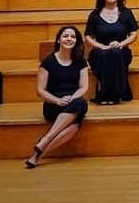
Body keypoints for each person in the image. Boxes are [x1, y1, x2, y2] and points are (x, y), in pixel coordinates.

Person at [26, 25, 88, 168]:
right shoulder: (48, 62)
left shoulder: (80, 61)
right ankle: (45, 140)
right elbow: (40, 91)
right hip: (53, 104)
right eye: (65, 36)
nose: (69, 39)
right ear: (59, 40)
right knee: (74, 124)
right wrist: (57, 100)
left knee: (80, 107)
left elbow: (83, 87)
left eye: (73, 37)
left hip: (72, 102)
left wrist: (71, 98)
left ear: (77, 41)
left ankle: (38, 154)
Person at [84, 0, 139, 104]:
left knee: (115, 53)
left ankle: (109, 94)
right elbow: (88, 37)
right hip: (99, 51)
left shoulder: (127, 13)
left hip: (121, 51)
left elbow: (133, 35)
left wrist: (121, 44)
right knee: (105, 55)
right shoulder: (94, 15)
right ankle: (108, 94)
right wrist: (101, 47)